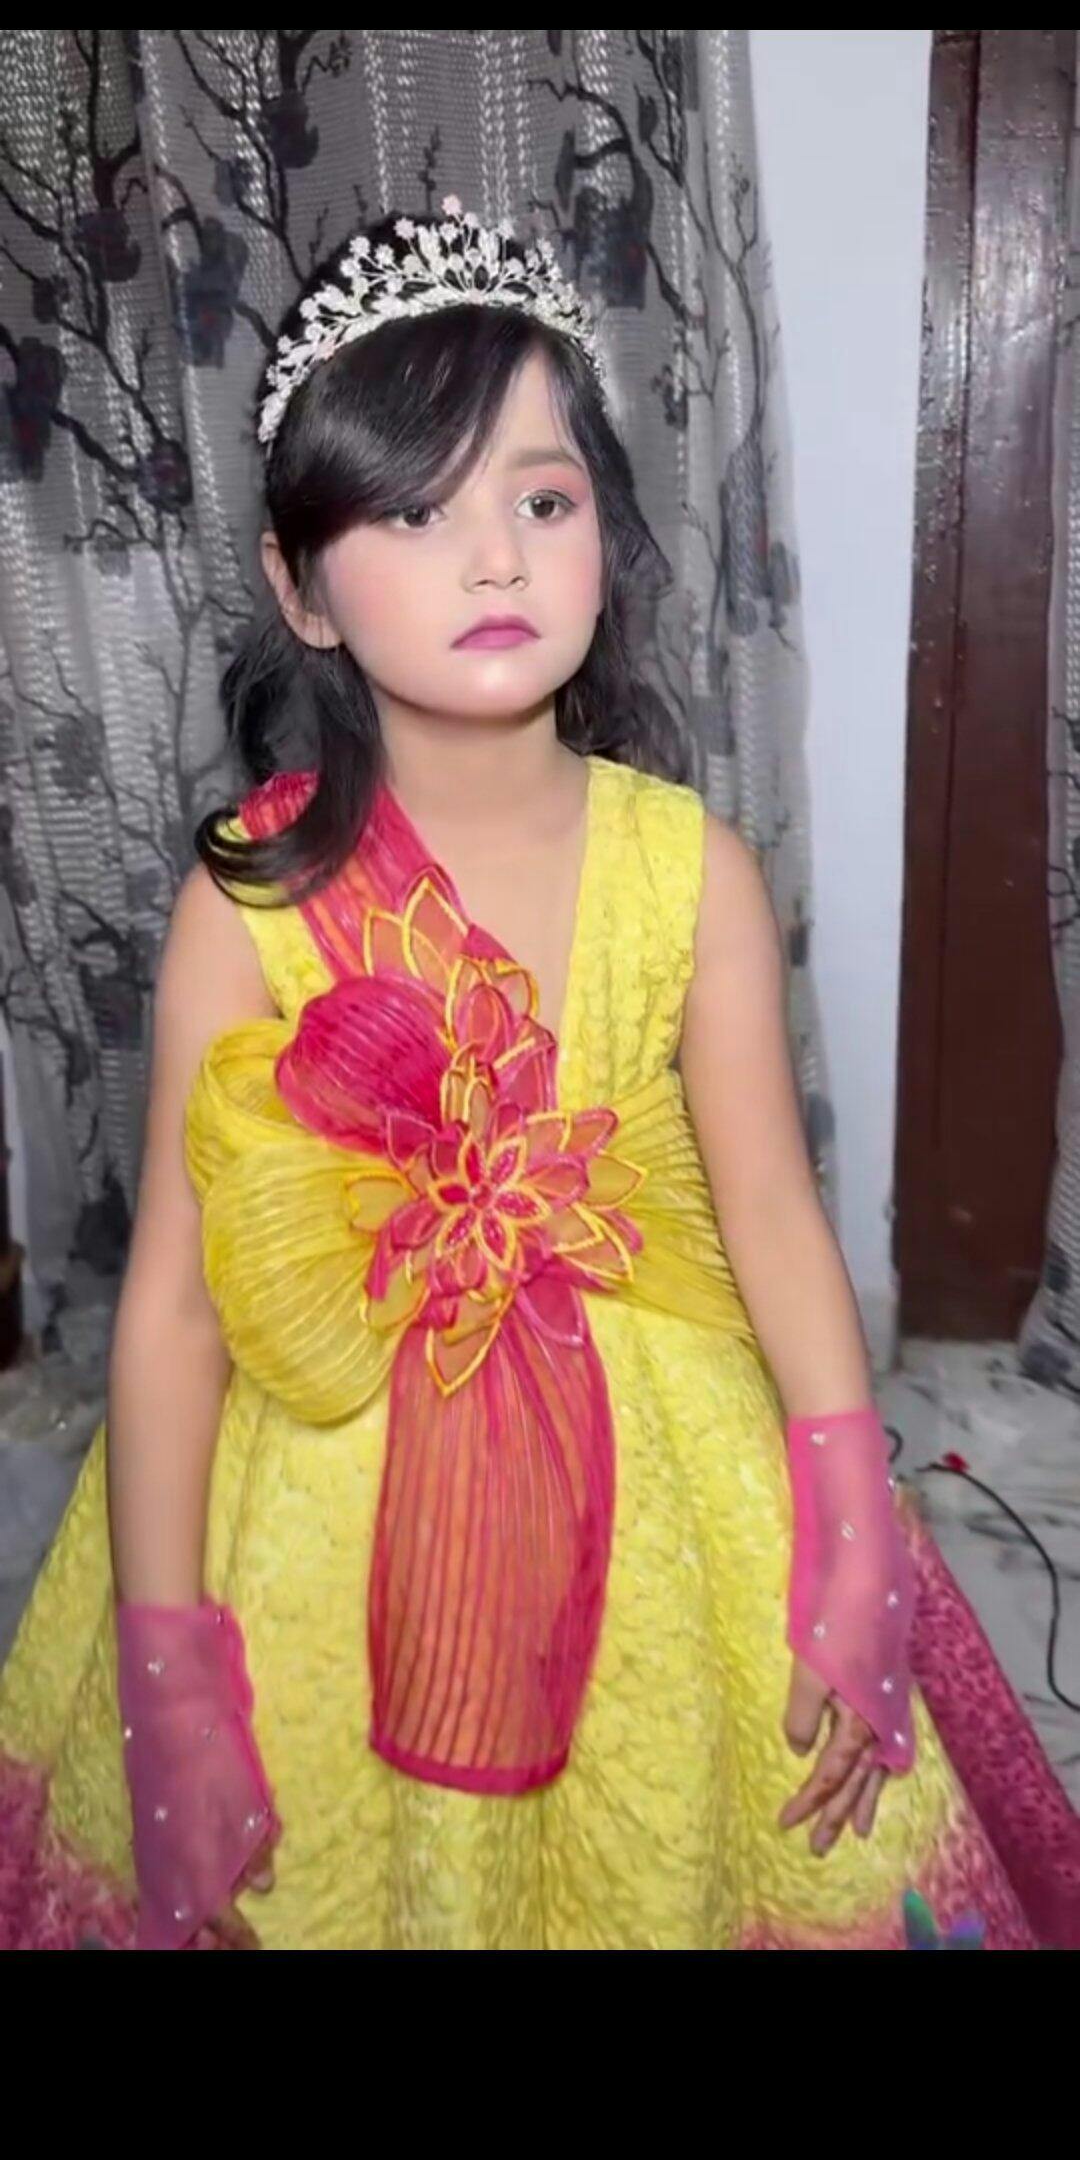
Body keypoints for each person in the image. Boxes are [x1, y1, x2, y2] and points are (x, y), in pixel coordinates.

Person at [1, 198, 1077, 1952]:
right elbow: (179, 1310)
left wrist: (852, 1528)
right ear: (301, 589)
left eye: (543, 500)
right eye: (415, 512)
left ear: (607, 543)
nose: (493, 558)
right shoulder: (249, 903)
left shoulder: (693, 871)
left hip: (661, 1477)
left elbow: (774, 1224)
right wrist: (169, 1674)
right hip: (327, 1500)